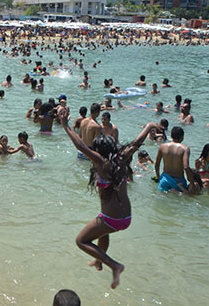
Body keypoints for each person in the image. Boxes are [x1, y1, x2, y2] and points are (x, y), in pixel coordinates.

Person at [58, 108, 158, 289]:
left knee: (81, 241)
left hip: (112, 218)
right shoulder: (122, 158)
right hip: (126, 218)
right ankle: (99, 261)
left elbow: (81, 146)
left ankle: (114, 265)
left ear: (99, 151)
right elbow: (137, 142)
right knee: (102, 229)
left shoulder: (102, 163)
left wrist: (65, 125)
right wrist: (149, 125)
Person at [154, 126, 195, 194]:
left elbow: (157, 164)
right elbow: (186, 167)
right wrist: (192, 183)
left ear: (171, 135)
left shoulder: (162, 146)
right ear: (182, 137)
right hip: (178, 181)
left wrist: (158, 177)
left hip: (165, 179)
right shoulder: (185, 149)